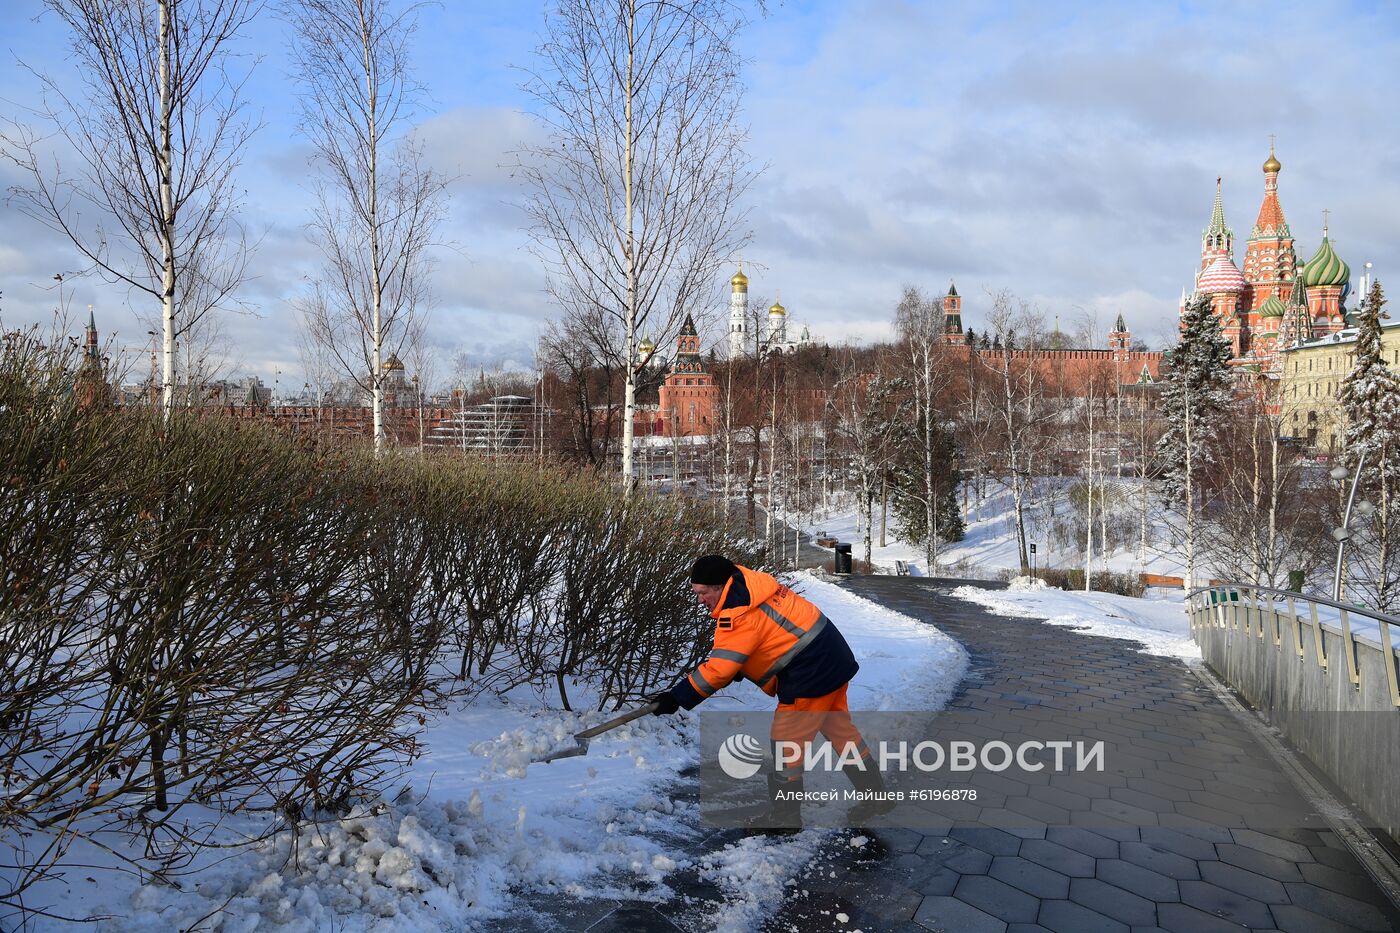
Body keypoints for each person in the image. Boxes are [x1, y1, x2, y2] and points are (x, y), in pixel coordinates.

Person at [649, 554, 894, 830]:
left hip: (809, 674)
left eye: (703, 592)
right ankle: (877, 796)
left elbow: (718, 670)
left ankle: (785, 818)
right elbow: (768, 635)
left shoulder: (737, 612)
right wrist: (744, 666)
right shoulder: (752, 585)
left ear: (719, 586)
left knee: (786, 742)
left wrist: (677, 697)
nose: (700, 600)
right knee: (838, 729)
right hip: (830, 657)